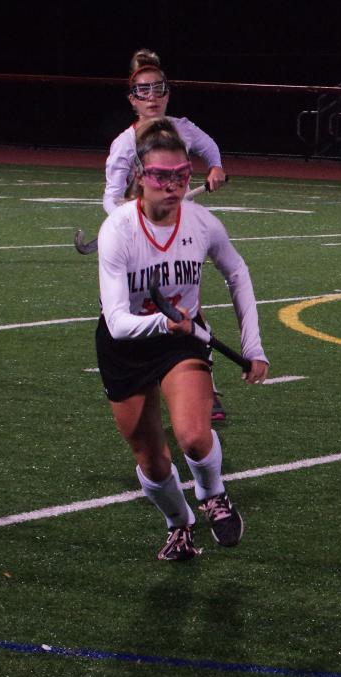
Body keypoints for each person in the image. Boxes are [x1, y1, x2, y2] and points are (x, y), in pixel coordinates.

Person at [96, 117, 269, 561]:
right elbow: (117, 323)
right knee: (152, 460)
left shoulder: (203, 223)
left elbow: (238, 273)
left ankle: (214, 495)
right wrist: (163, 323)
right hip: (128, 344)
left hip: (182, 339)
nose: (171, 185)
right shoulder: (117, 229)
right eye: (160, 176)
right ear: (140, 177)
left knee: (194, 435)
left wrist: (253, 347)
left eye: (181, 176)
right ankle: (179, 524)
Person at [104, 48, 229, 421]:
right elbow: (111, 196)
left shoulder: (183, 128)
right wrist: (128, 224)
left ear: (168, 93)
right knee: (135, 310)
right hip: (137, 238)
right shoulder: (124, 144)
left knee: (188, 304)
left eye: (159, 88)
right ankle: (143, 381)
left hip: (177, 231)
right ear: (132, 99)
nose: (152, 97)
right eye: (143, 91)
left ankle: (205, 385)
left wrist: (217, 167)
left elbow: (209, 147)